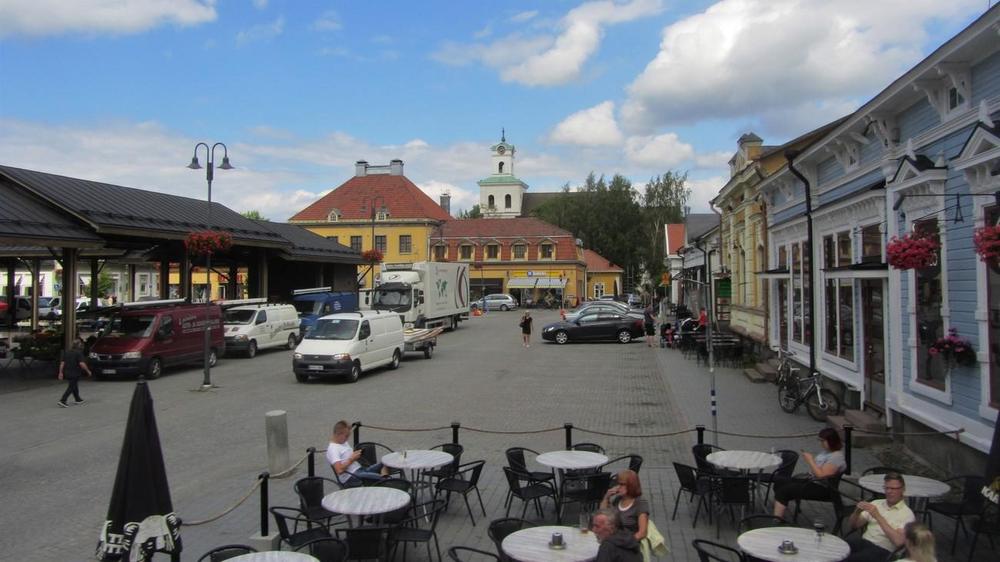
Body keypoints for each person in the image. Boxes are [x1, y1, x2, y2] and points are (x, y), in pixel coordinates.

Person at [772, 427, 846, 518]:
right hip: (812, 481)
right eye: (820, 441)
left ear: (832, 441)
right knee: (781, 481)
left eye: (823, 441)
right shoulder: (827, 452)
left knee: (784, 491)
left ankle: (777, 519)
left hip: (823, 488)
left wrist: (810, 460)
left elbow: (821, 475)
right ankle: (781, 506)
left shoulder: (836, 457)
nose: (821, 443)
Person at [845, 473, 915, 562]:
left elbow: (899, 542)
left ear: (903, 489)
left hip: (883, 551)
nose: (889, 491)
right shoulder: (876, 503)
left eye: (893, 488)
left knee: (851, 559)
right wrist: (856, 512)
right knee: (841, 548)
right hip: (864, 542)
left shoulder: (907, 514)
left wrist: (878, 516)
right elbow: (854, 526)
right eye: (886, 488)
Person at [325, 420, 388, 486]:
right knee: (384, 480)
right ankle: (385, 481)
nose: (347, 439)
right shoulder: (333, 449)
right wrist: (352, 459)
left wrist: (355, 454)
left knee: (385, 463)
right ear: (338, 434)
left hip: (360, 470)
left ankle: (383, 480)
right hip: (351, 477)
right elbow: (339, 470)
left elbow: (347, 457)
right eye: (346, 436)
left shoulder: (343, 442)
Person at [600, 470, 649, 542]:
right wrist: (606, 497)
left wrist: (624, 543)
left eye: (621, 484)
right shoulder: (618, 499)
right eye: (617, 484)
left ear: (631, 485)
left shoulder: (640, 503)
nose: (618, 487)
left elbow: (642, 533)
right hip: (614, 539)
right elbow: (603, 514)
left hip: (629, 543)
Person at [58, 338, 92, 407]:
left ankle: (77, 399)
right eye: (80, 344)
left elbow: (62, 363)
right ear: (79, 345)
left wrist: (60, 372)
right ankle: (63, 400)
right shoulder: (78, 353)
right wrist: (88, 371)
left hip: (67, 372)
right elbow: (82, 364)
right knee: (71, 387)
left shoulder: (67, 352)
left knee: (74, 385)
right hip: (75, 372)